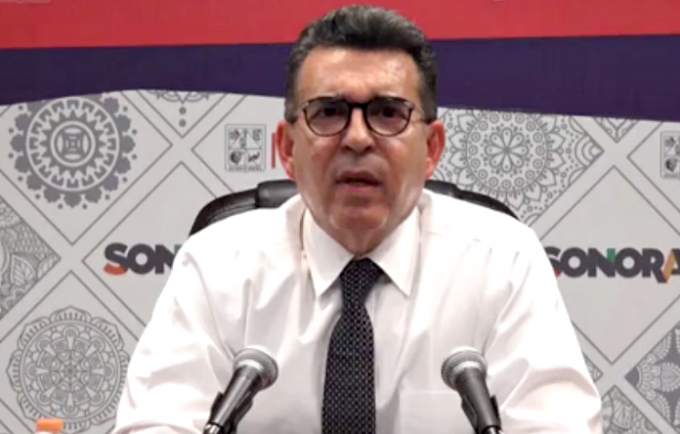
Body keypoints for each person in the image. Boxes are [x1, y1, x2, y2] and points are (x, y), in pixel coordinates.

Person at [113, 5, 603, 434]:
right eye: (329, 112)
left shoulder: (504, 261)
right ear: (287, 149)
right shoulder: (216, 264)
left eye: (388, 113)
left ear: (432, 149)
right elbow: (158, 422)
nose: (357, 138)